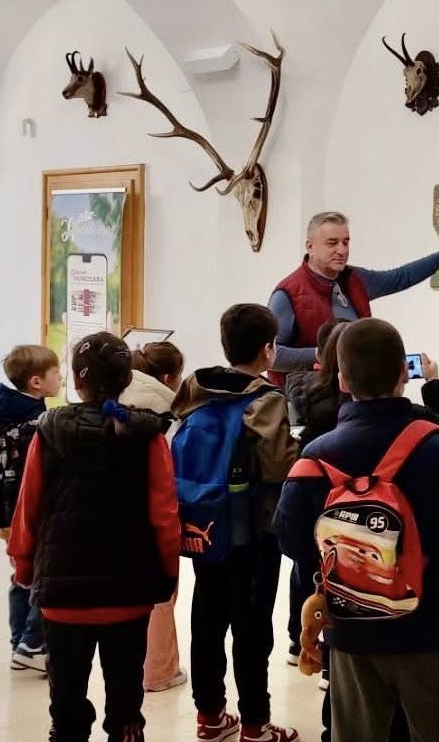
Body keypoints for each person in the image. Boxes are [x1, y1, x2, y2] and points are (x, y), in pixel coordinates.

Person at [275, 318, 439, 742]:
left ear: (342, 380)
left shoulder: (315, 457)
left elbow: (291, 540)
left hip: (351, 631)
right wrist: (437, 580)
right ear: (403, 373)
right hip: (432, 628)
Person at [7, 332, 181, 742]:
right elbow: (164, 514)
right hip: (129, 593)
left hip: (62, 596)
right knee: (126, 700)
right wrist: (166, 574)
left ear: (76, 380)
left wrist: (25, 568)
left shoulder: (49, 431)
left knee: (66, 701)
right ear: (127, 380)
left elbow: (28, 510)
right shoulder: (147, 436)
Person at [173, 304, 300, 742]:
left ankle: (209, 716)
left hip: (203, 520)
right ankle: (255, 724)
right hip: (251, 531)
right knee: (251, 626)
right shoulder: (265, 399)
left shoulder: (197, 389)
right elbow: (279, 465)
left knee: (206, 617)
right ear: (268, 350)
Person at [267, 210, 439, 384]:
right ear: (310, 247)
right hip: (308, 404)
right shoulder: (287, 294)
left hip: (354, 394)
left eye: (346, 242)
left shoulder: (354, 278)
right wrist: (324, 353)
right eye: (332, 243)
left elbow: (400, 278)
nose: (342, 250)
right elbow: (270, 355)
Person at [0, 344, 62, 674]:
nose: (61, 378)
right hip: (34, 517)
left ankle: (18, 644)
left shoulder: (2, 420)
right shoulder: (36, 425)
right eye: (56, 373)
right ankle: (32, 644)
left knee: (21, 577)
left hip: (8, 518)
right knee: (44, 578)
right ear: (37, 382)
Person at [119, 341, 189, 693]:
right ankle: (160, 671)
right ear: (167, 378)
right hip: (154, 516)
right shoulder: (168, 418)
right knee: (161, 595)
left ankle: (129, 669)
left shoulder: (113, 402)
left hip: (114, 515)